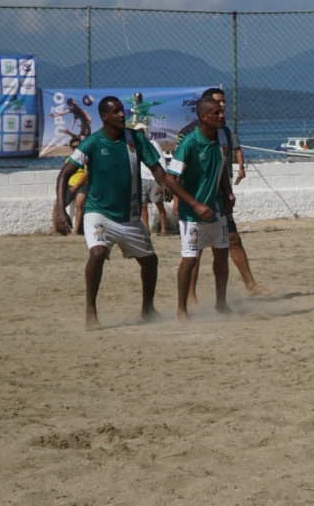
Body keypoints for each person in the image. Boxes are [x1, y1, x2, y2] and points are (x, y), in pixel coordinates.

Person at [53, 96, 175, 330]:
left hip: (129, 217)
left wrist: (164, 183)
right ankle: (91, 312)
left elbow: (157, 167)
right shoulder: (92, 143)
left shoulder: (136, 139)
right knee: (97, 254)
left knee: (150, 262)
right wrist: (61, 211)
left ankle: (148, 309)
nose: (122, 115)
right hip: (98, 213)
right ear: (104, 116)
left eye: (123, 110)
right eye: (116, 111)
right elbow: (64, 174)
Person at [176, 88, 270, 303]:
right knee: (193, 253)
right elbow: (175, 176)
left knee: (231, 241)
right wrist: (183, 201)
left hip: (218, 201)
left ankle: (245, 287)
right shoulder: (189, 136)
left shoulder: (224, 132)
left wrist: (228, 192)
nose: (223, 110)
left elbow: (228, 161)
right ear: (204, 111)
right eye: (218, 105)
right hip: (195, 205)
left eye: (224, 105)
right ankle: (190, 297)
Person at [167, 96, 235, 322]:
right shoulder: (189, 143)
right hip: (191, 214)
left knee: (222, 254)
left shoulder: (223, 137)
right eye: (216, 113)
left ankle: (221, 303)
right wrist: (194, 203)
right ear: (203, 118)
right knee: (190, 259)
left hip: (216, 209)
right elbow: (170, 179)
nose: (221, 115)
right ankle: (181, 309)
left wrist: (228, 193)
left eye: (222, 111)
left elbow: (221, 169)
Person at [133, 122, 170, 236]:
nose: (140, 133)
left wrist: (162, 181)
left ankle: (164, 229)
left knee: (158, 203)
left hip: (154, 178)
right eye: (138, 132)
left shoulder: (153, 143)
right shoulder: (134, 146)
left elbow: (162, 161)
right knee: (143, 205)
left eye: (142, 131)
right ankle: (146, 229)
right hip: (142, 178)